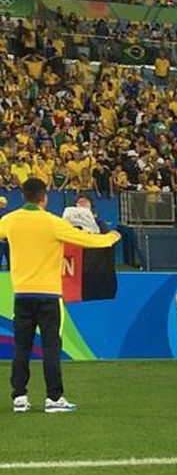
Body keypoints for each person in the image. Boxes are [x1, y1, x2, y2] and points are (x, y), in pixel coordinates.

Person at [3, 177, 119, 413]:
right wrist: (110, 238)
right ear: (44, 197)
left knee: (22, 347)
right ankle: (54, 399)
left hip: (22, 295)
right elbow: (87, 240)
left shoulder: (9, 221)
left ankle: (19, 397)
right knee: (51, 346)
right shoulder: (53, 223)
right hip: (48, 296)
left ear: (23, 196)